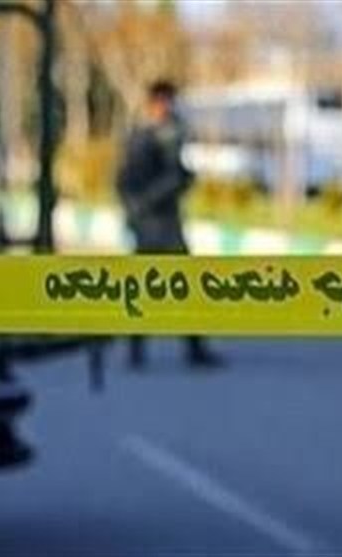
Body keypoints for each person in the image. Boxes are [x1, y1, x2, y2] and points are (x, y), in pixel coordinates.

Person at [116, 80, 223, 369]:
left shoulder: (169, 133)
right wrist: (171, 185)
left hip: (165, 222)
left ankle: (192, 347)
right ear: (154, 104)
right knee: (149, 287)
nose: (168, 108)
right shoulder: (142, 138)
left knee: (182, 286)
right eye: (164, 102)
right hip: (151, 225)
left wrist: (181, 180)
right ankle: (139, 349)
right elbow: (129, 182)